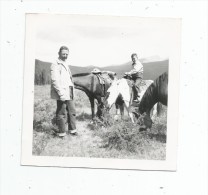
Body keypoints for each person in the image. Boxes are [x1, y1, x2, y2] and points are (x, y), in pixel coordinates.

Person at [50, 46, 77, 137]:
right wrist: (60, 93)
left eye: (66, 54)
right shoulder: (55, 64)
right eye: (63, 54)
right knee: (61, 113)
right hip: (62, 92)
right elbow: (55, 80)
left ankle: (72, 130)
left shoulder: (65, 63)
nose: (65, 56)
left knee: (72, 111)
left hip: (69, 91)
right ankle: (61, 133)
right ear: (59, 53)